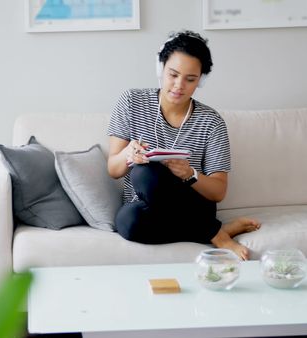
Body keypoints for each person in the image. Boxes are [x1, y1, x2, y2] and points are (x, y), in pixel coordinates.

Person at [106, 30, 260, 260]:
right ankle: (215, 231)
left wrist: (190, 174)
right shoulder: (131, 101)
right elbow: (113, 170)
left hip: (193, 206)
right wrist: (129, 154)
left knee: (145, 173)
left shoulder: (211, 121)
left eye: (190, 79)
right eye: (173, 75)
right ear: (161, 69)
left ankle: (214, 234)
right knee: (128, 218)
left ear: (201, 80)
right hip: (145, 209)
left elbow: (219, 191)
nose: (179, 85)